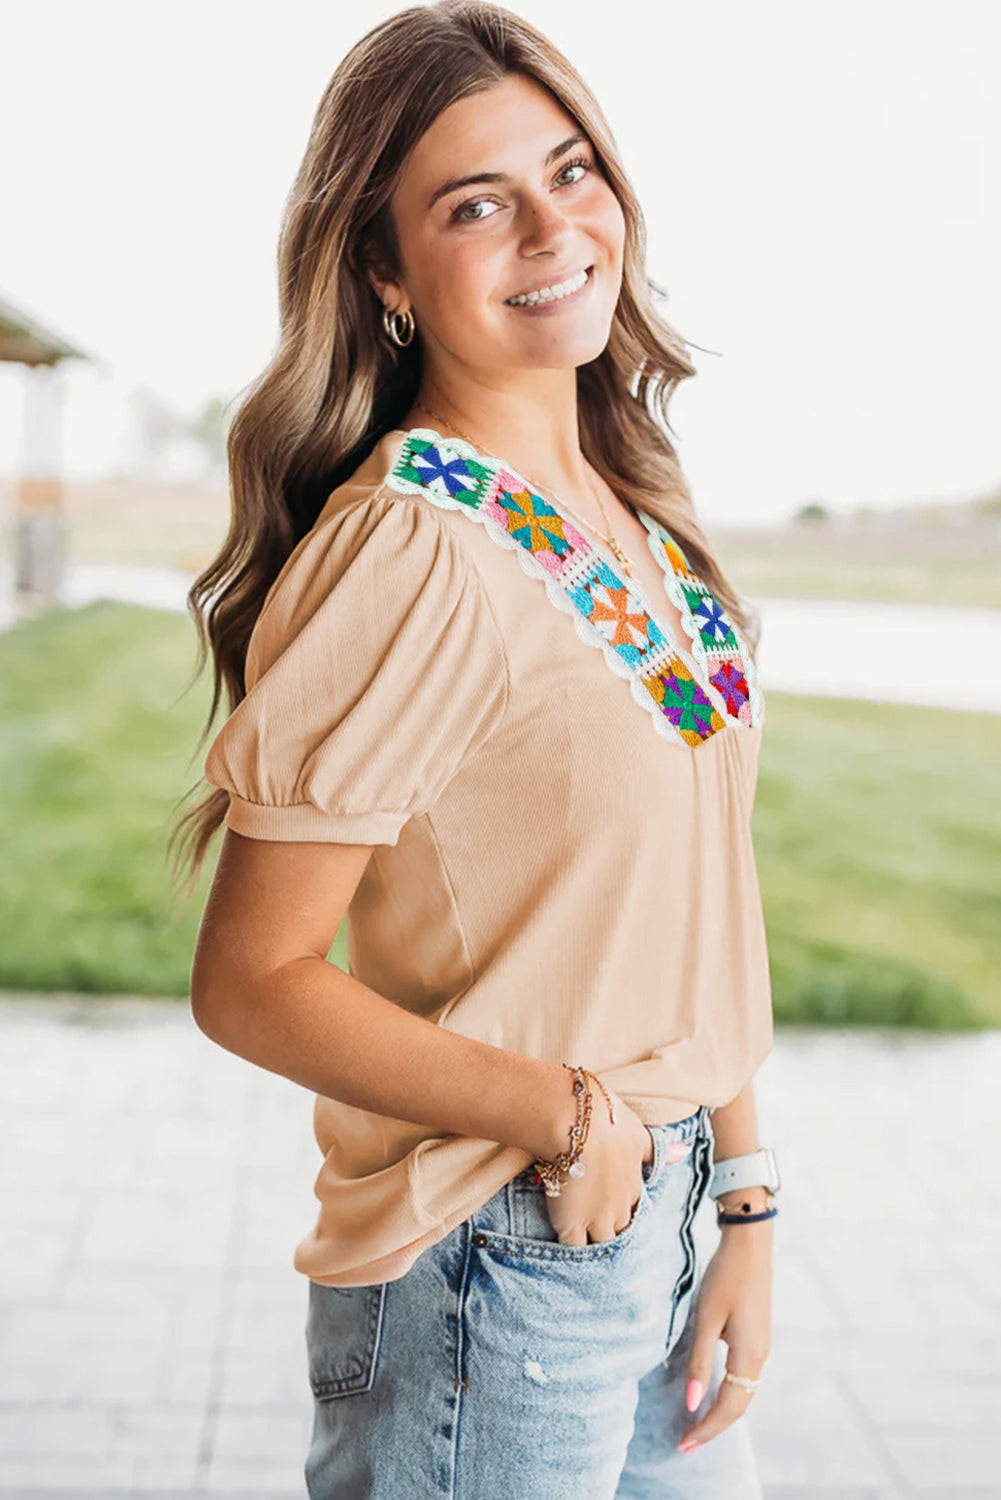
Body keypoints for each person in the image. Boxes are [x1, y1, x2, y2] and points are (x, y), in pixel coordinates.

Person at [174, 3, 781, 1495]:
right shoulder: (417, 550)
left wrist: (744, 1198)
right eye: (474, 204)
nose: (552, 228)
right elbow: (251, 980)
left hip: (656, 1218)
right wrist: (567, 1120)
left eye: (570, 171)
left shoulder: (632, 516)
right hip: (495, 1261)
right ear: (384, 272)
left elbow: (696, 893)